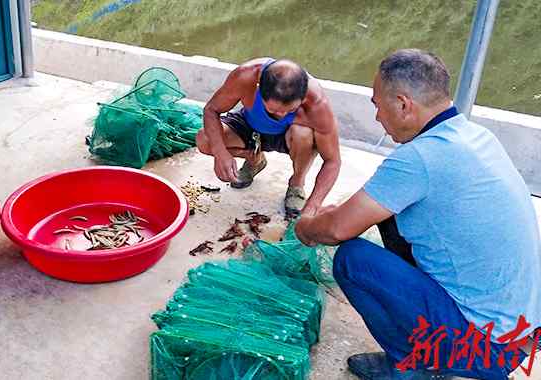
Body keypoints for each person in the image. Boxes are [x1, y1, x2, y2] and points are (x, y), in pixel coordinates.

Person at [295, 49, 541, 379]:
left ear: (403, 104)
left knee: (353, 259)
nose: (378, 117)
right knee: (383, 212)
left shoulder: (420, 159)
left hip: (488, 350)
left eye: (377, 105)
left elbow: (336, 229)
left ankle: (409, 366)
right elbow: (365, 206)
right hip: (519, 333)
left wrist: (306, 226)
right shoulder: (474, 135)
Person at [196, 58, 341, 217]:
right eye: (273, 109)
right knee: (205, 140)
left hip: (289, 135)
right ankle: (255, 160)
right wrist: (220, 153)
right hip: (251, 125)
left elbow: (332, 161)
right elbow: (211, 109)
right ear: (258, 89)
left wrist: (312, 207)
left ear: (302, 96)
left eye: (290, 110)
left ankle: (297, 183)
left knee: (303, 134)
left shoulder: (317, 103)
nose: (281, 114)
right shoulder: (245, 77)